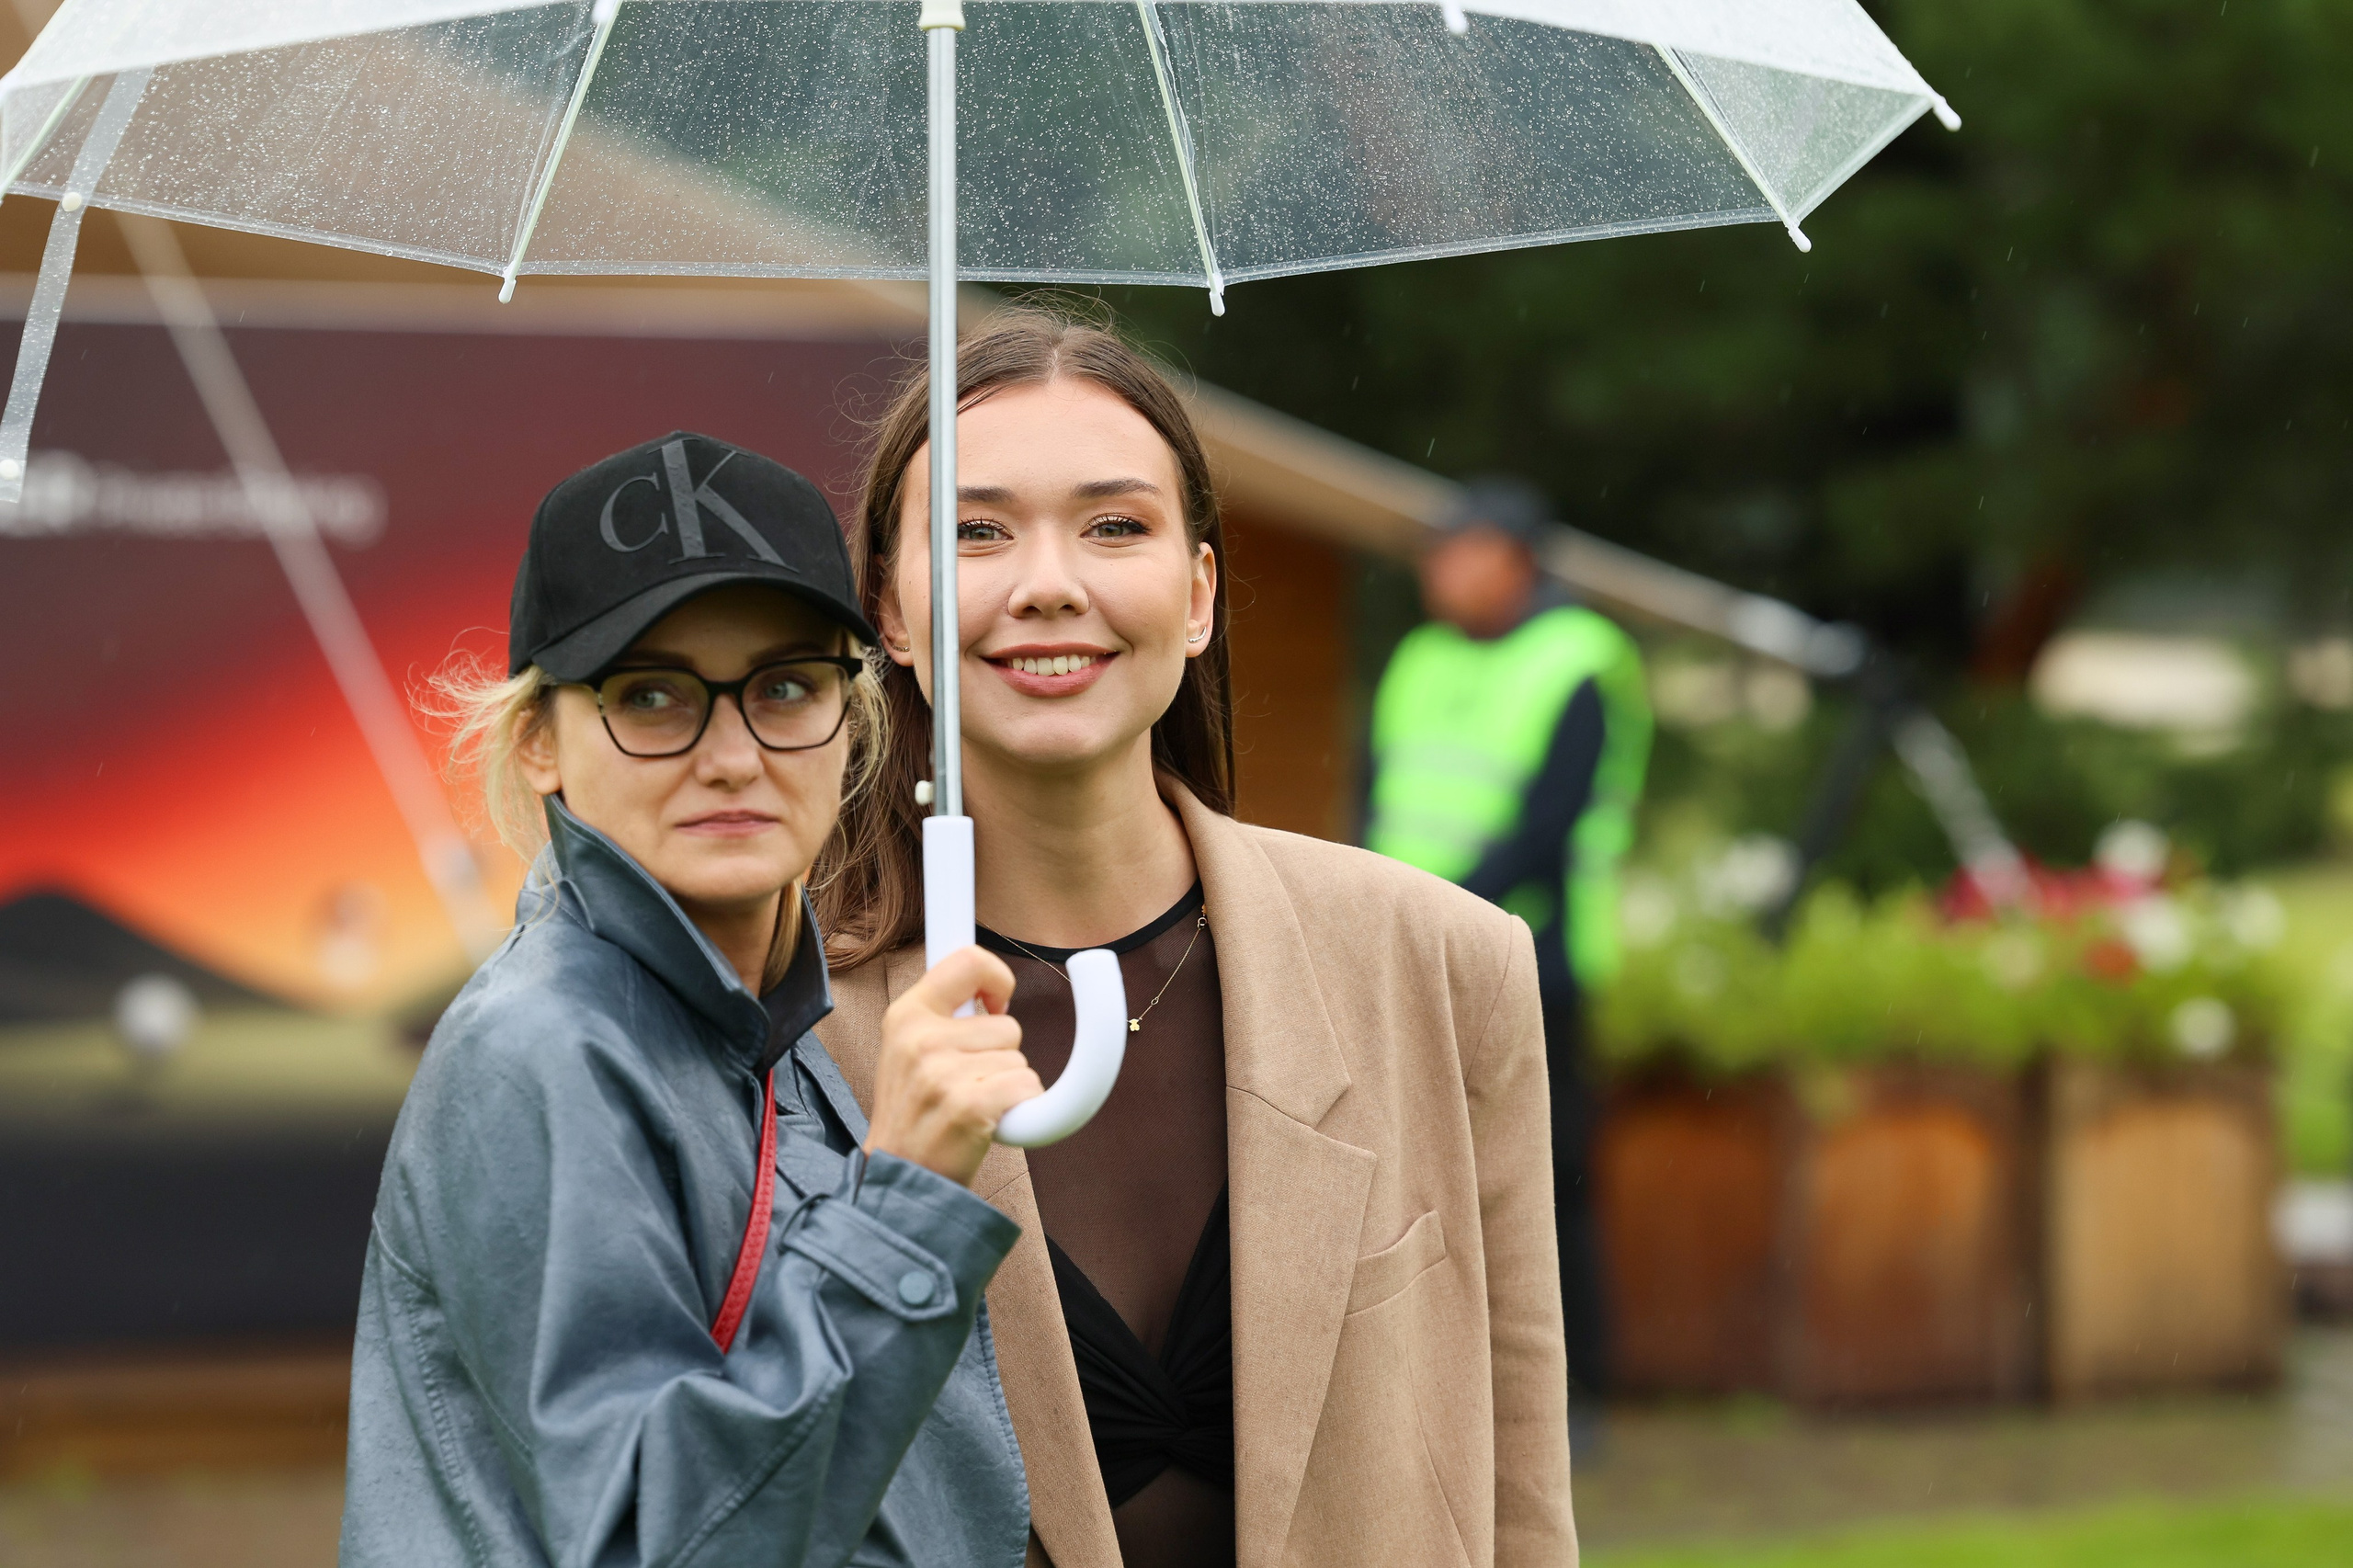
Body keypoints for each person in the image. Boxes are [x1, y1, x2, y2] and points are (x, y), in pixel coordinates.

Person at [812, 310, 1576, 1568]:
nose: (1049, 580)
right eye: (975, 530)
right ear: (888, 613)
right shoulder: (779, 1021)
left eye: (1115, 525)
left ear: (1201, 593)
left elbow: (1520, 1497)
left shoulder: (1443, 965)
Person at [342, 433, 1047, 1568]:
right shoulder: (541, 1050)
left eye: (782, 686)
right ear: (539, 742)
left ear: (849, 716)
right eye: (655, 695)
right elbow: (665, 1544)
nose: (730, 755)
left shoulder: (765, 1016)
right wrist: (903, 1197)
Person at [1362, 479, 1653, 1429]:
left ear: (1517, 561)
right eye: (1434, 550)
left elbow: (1548, 825)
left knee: (1547, 1177)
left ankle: (1574, 1395)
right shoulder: (1417, 655)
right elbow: (1377, 802)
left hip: (1532, 960)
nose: (1438, 569)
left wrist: (1432, 909)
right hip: (1402, 950)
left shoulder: (1580, 658)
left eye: (1462, 550)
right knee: (1402, 1168)